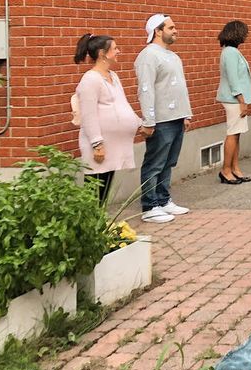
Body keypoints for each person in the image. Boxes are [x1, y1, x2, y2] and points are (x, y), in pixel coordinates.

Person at [135, 15, 192, 223]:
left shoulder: (173, 56)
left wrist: (186, 114)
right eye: (171, 27)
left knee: (168, 162)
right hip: (160, 120)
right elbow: (146, 89)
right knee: (155, 163)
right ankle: (150, 206)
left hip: (176, 118)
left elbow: (180, 87)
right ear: (158, 31)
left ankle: (163, 199)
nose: (175, 30)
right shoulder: (148, 55)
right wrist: (148, 120)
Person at [74, 33, 141, 203]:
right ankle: (92, 219)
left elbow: (122, 104)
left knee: (105, 188)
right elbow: (88, 115)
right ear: (102, 53)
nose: (118, 51)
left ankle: (100, 218)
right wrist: (97, 144)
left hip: (113, 144)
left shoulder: (113, 76)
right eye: (115, 48)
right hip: (100, 146)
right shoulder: (90, 79)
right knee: (94, 190)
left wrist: (138, 123)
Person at [216, 20, 251, 184]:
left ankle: (235, 168)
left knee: (236, 134)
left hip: (236, 99)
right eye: (244, 32)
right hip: (234, 100)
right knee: (232, 134)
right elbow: (233, 79)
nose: (246, 35)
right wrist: (242, 101)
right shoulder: (230, 52)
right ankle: (226, 170)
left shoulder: (232, 51)